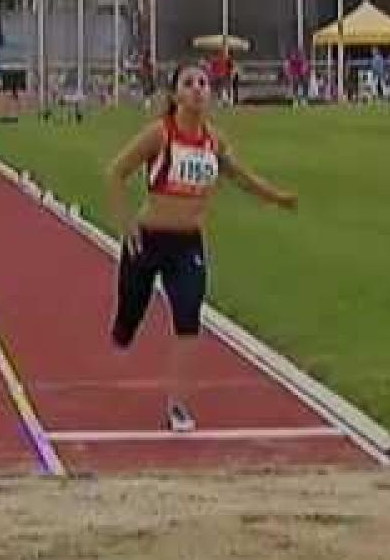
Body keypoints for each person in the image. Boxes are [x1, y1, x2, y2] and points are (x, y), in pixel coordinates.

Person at [105, 63, 296, 432]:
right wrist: (126, 225)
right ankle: (122, 330)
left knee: (188, 317)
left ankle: (177, 403)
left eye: (203, 83)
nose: (197, 90)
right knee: (126, 326)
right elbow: (115, 172)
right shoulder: (159, 134)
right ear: (175, 94)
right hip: (147, 240)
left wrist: (276, 197)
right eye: (189, 83)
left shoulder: (214, 141)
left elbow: (240, 175)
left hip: (187, 244)